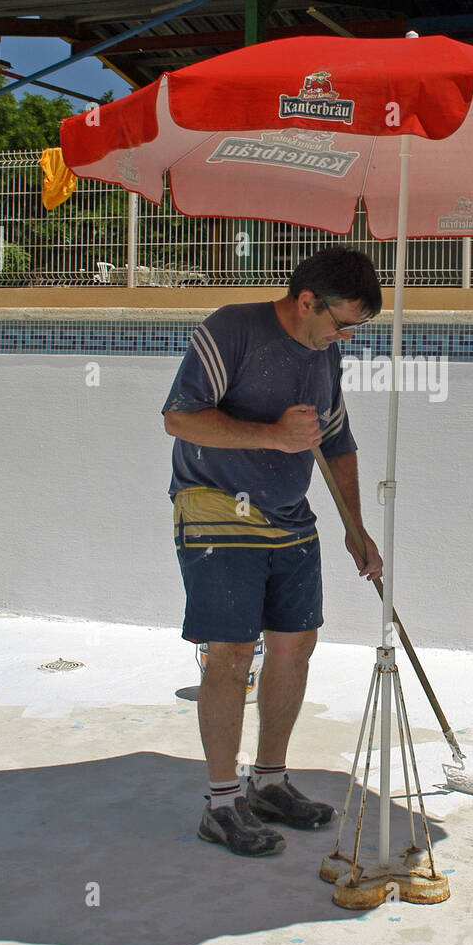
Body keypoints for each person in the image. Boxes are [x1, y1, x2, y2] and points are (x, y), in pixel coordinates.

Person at [162, 247, 384, 858]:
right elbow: (179, 419)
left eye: (354, 329)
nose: (345, 337)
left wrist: (355, 526)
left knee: (296, 642)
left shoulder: (324, 351)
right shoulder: (230, 329)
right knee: (233, 653)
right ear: (307, 300)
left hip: (290, 514)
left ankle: (270, 783)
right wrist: (272, 435)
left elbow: (335, 438)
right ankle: (222, 802)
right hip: (215, 508)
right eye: (342, 323)